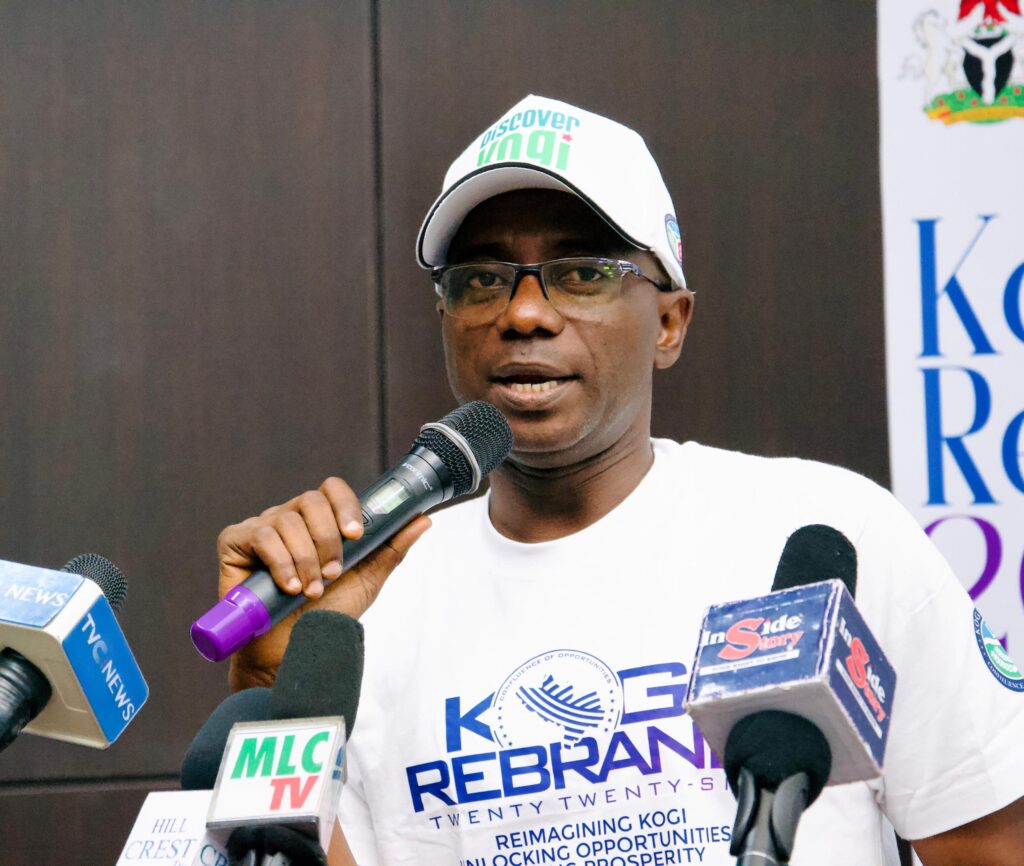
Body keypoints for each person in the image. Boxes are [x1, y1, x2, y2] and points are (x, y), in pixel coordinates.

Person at [217, 95, 1024, 865]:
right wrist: (273, 689)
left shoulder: (827, 532)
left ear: (670, 322)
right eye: (482, 279)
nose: (522, 314)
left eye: (581, 273)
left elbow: (993, 849)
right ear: (445, 319)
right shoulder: (359, 607)